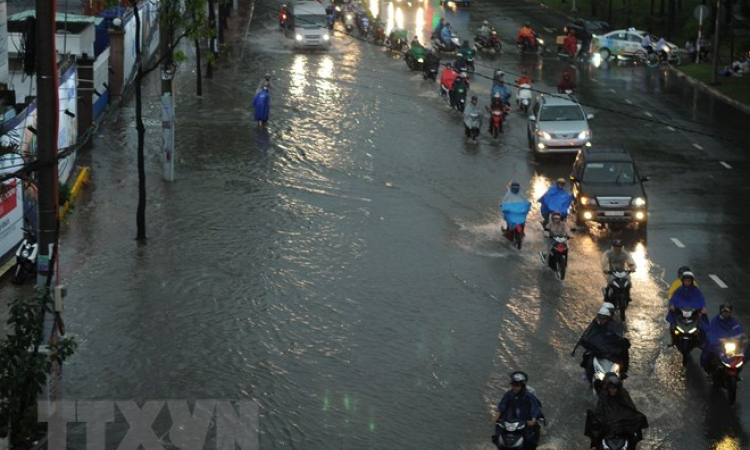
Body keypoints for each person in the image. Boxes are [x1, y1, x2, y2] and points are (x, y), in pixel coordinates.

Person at [584, 373, 648, 449]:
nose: (612, 390)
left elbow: (630, 409)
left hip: (622, 426)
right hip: (607, 427)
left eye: (614, 388)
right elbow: (600, 409)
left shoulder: (623, 395)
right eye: (610, 388)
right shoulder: (604, 395)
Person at [572, 305, 631, 380]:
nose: (602, 320)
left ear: (608, 318)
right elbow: (588, 336)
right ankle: (588, 374)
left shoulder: (612, 326)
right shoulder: (595, 325)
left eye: (604, 318)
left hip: (609, 351)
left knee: (622, 354)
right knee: (587, 357)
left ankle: (622, 372)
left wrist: (621, 341)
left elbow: (618, 335)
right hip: (596, 350)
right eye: (600, 317)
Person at [492, 371, 544, 450]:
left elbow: (535, 408)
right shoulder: (509, 394)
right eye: (513, 385)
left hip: (525, 421)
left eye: (517, 386)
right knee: (497, 436)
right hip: (510, 420)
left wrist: (533, 419)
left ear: (522, 386)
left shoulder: (529, 396)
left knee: (529, 440)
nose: (514, 388)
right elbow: (503, 404)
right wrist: (498, 414)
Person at [700, 303, 749, 374]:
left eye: (727, 312)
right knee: (709, 354)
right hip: (719, 346)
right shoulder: (715, 321)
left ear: (730, 312)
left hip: (732, 345)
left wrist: (743, 337)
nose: (726, 313)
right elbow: (711, 333)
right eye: (724, 311)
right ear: (721, 312)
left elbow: (739, 330)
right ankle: (710, 371)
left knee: (742, 354)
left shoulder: (733, 321)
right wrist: (718, 340)